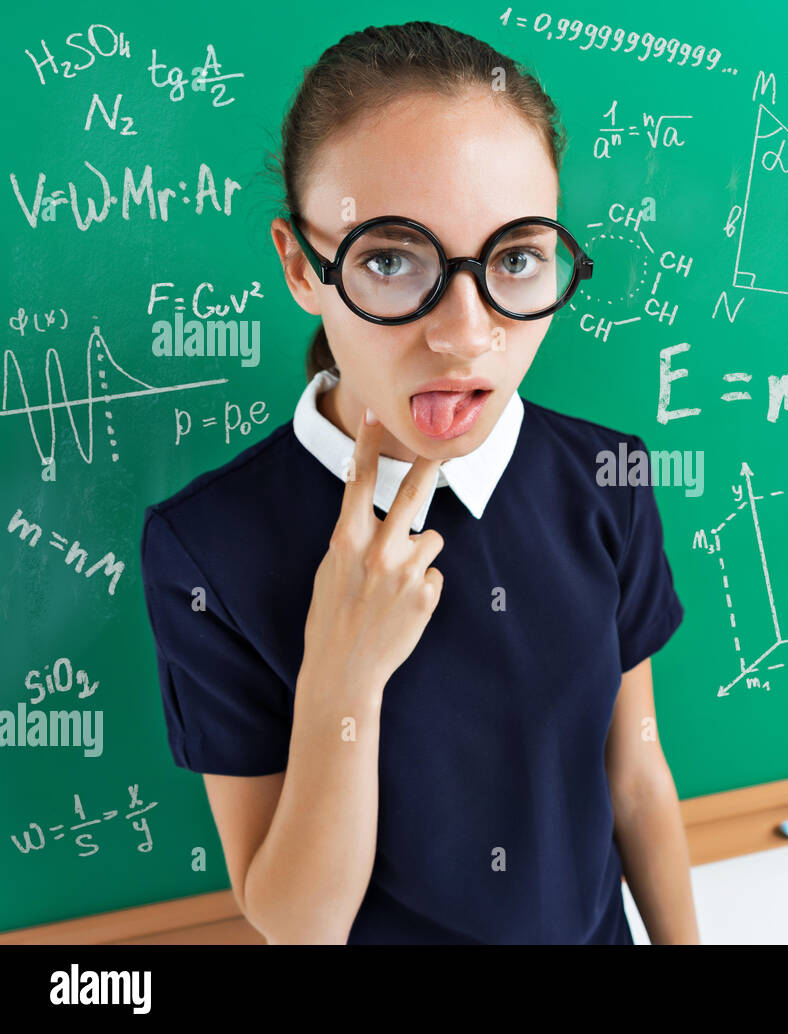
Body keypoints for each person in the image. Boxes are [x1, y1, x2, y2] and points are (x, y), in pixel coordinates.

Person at [138, 20, 698, 945]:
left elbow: (635, 774)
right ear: (300, 266)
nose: (465, 334)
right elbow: (296, 923)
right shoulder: (209, 548)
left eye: (516, 258)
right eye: (392, 261)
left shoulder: (607, 478)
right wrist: (343, 678)